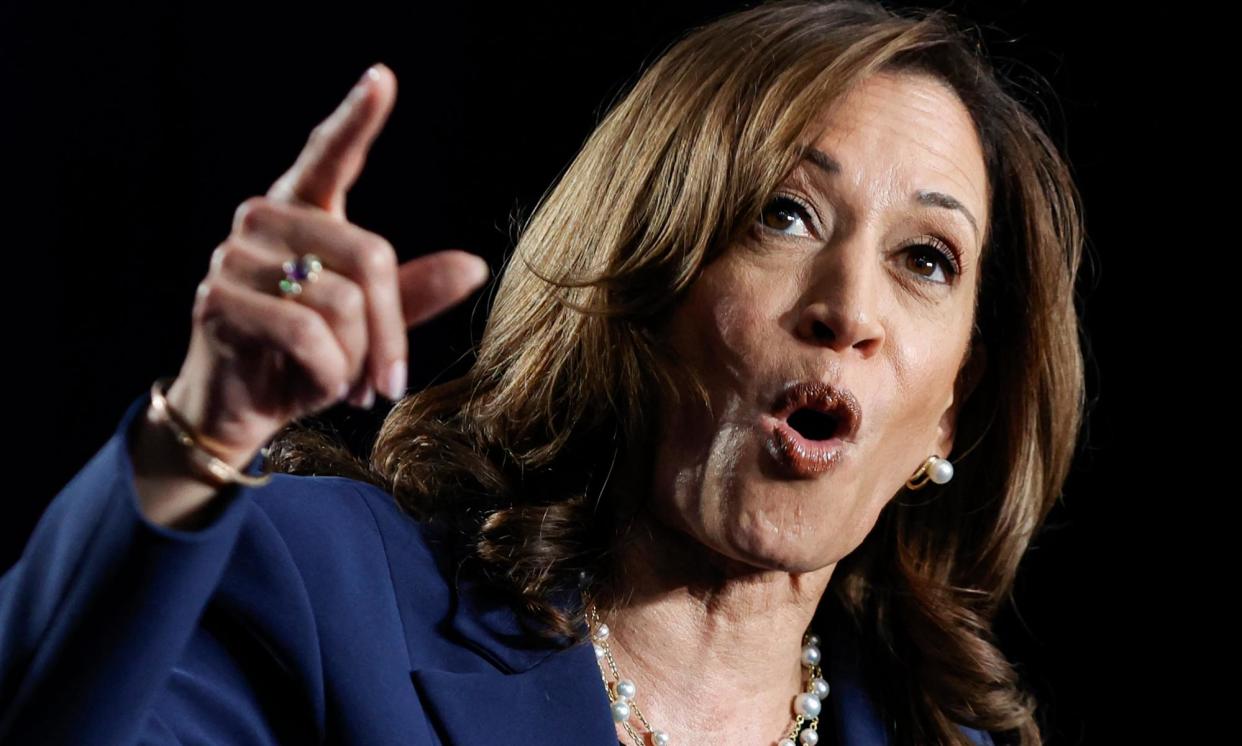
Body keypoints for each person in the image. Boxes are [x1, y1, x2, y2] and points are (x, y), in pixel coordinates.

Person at [0, 0, 1086, 744]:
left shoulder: (943, 732)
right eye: (782, 212)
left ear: (954, 408)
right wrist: (203, 423)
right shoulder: (325, 592)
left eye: (925, 260)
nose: (848, 308)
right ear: (642, 279)